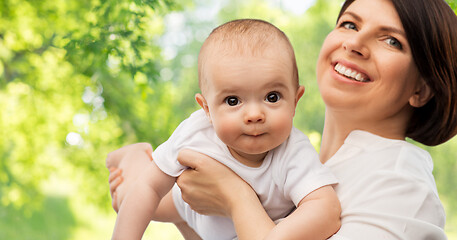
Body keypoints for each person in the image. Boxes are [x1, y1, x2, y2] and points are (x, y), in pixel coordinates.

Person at [107, 0, 457, 239]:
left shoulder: (398, 179)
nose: (355, 43)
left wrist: (233, 194)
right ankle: (135, 164)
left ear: (422, 90)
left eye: (392, 41)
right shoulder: (305, 159)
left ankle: (135, 163)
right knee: (147, 192)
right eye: (349, 24)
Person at [109, 19, 341, 240]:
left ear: (295, 102)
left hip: (232, 228)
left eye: (272, 97)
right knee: (127, 196)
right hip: (187, 204)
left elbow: (326, 209)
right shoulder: (196, 134)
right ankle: (133, 155)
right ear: (207, 109)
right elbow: (148, 187)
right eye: (233, 101)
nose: (254, 115)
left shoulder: (294, 152)